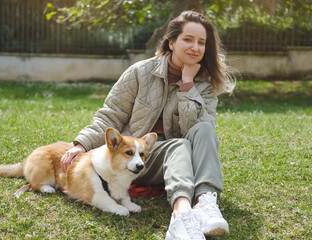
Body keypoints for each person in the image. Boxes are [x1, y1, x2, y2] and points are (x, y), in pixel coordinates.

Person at [61, 10, 235, 239]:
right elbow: (110, 115)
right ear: (172, 43)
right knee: (179, 145)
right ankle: (181, 216)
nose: (196, 47)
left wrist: (187, 85)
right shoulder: (140, 72)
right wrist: (81, 144)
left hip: (184, 162)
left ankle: (206, 203)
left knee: (203, 129)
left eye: (202, 42)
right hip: (138, 160)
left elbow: (199, 131)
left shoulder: (207, 84)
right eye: (188, 40)